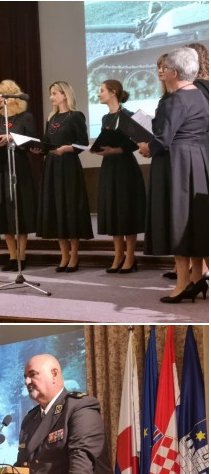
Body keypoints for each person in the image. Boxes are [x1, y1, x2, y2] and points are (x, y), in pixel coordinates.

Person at [139, 48, 209, 303]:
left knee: (178, 221)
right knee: (194, 221)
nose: (161, 71)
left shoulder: (174, 99)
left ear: (175, 73)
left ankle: (181, 284)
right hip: (198, 162)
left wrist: (148, 147)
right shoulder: (200, 95)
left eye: (165, 68)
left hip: (175, 164)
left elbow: (162, 139)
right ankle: (197, 278)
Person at [35, 81, 91, 272]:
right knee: (57, 209)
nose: (51, 97)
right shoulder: (51, 118)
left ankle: (74, 255)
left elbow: (83, 143)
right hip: (52, 167)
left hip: (68, 166)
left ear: (65, 95)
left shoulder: (75, 116)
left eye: (54, 94)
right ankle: (64, 255)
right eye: (50, 94)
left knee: (70, 209)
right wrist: (37, 149)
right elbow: (46, 143)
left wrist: (67, 148)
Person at [92, 80, 146, 273]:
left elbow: (135, 143)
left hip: (125, 168)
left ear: (113, 92)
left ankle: (131, 257)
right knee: (113, 210)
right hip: (109, 167)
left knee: (126, 211)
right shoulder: (106, 118)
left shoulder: (128, 115)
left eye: (101, 90)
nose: (99, 94)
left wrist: (115, 149)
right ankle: (118, 255)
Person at [0, 79, 37, 271]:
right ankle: (12, 255)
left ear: (10, 95)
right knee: (5, 212)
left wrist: (12, 137)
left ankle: (22, 255)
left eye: (1, 95)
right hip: (1, 167)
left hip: (19, 165)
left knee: (20, 210)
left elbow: (33, 141)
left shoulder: (25, 117)